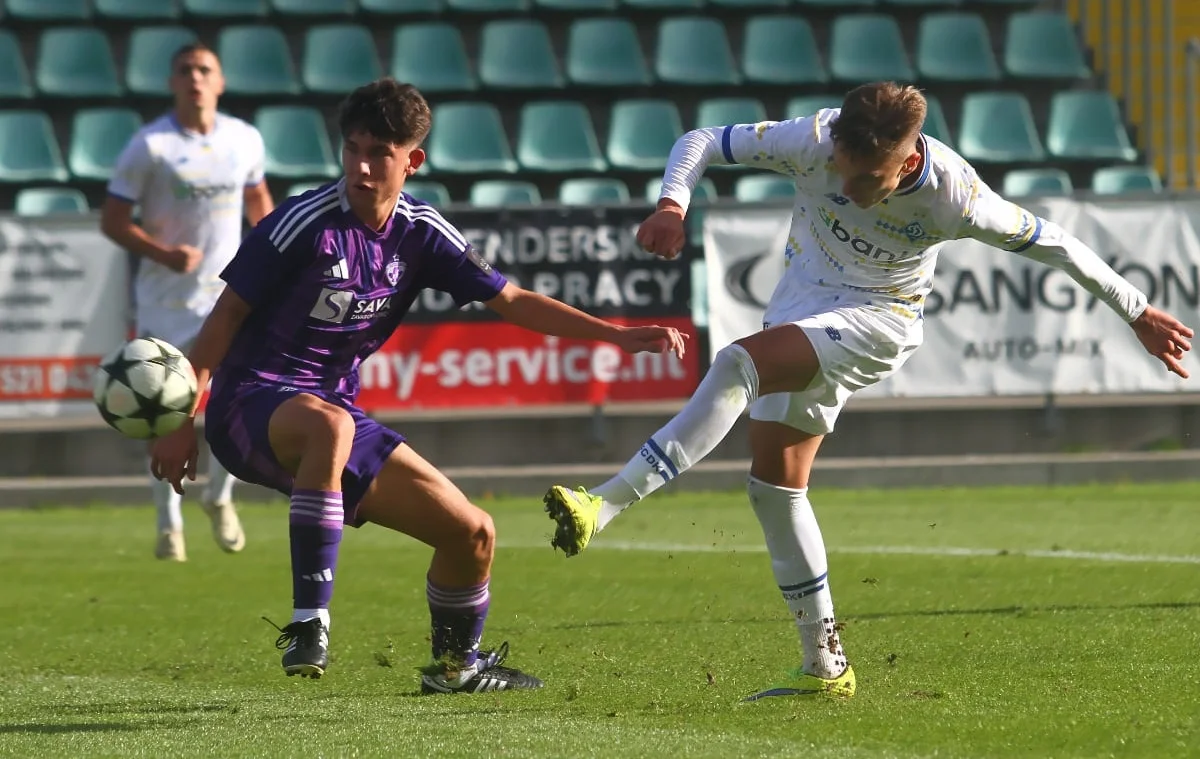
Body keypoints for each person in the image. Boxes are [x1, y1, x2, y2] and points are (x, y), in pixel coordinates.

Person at [542, 81, 1194, 701]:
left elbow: (1056, 243)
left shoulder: (956, 195)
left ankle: (604, 503)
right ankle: (825, 664)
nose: (848, 190)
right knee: (774, 488)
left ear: (909, 156)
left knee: (740, 362)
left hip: (878, 320)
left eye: (867, 180)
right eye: (842, 172)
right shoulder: (813, 138)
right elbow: (701, 139)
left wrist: (1136, 310)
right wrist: (671, 204)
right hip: (803, 307)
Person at [148, 78, 688, 692]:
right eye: (353, 148)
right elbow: (225, 317)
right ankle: (309, 622)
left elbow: (511, 300)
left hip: (333, 416)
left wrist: (614, 336)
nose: (362, 165)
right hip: (249, 406)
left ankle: (457, 670)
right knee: (331, 425)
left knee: (472, 532)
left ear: (413, 160)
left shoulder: (421, 232)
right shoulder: (303, 221)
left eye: (380, 152)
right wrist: (178, 420)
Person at [101, 42, 274, 562]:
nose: (195, 78)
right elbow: (112, 221)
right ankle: (167, 524)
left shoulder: (244, 139)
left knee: (233, 401)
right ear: (173, 82)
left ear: (220, 82)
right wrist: (163, 253)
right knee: (164, 412)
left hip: (228, 296)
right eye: (185, 70)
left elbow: (258, 201)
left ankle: (219, 498)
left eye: (205, 70)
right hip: (164, 302)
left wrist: (271, 256)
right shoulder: (148, 146)